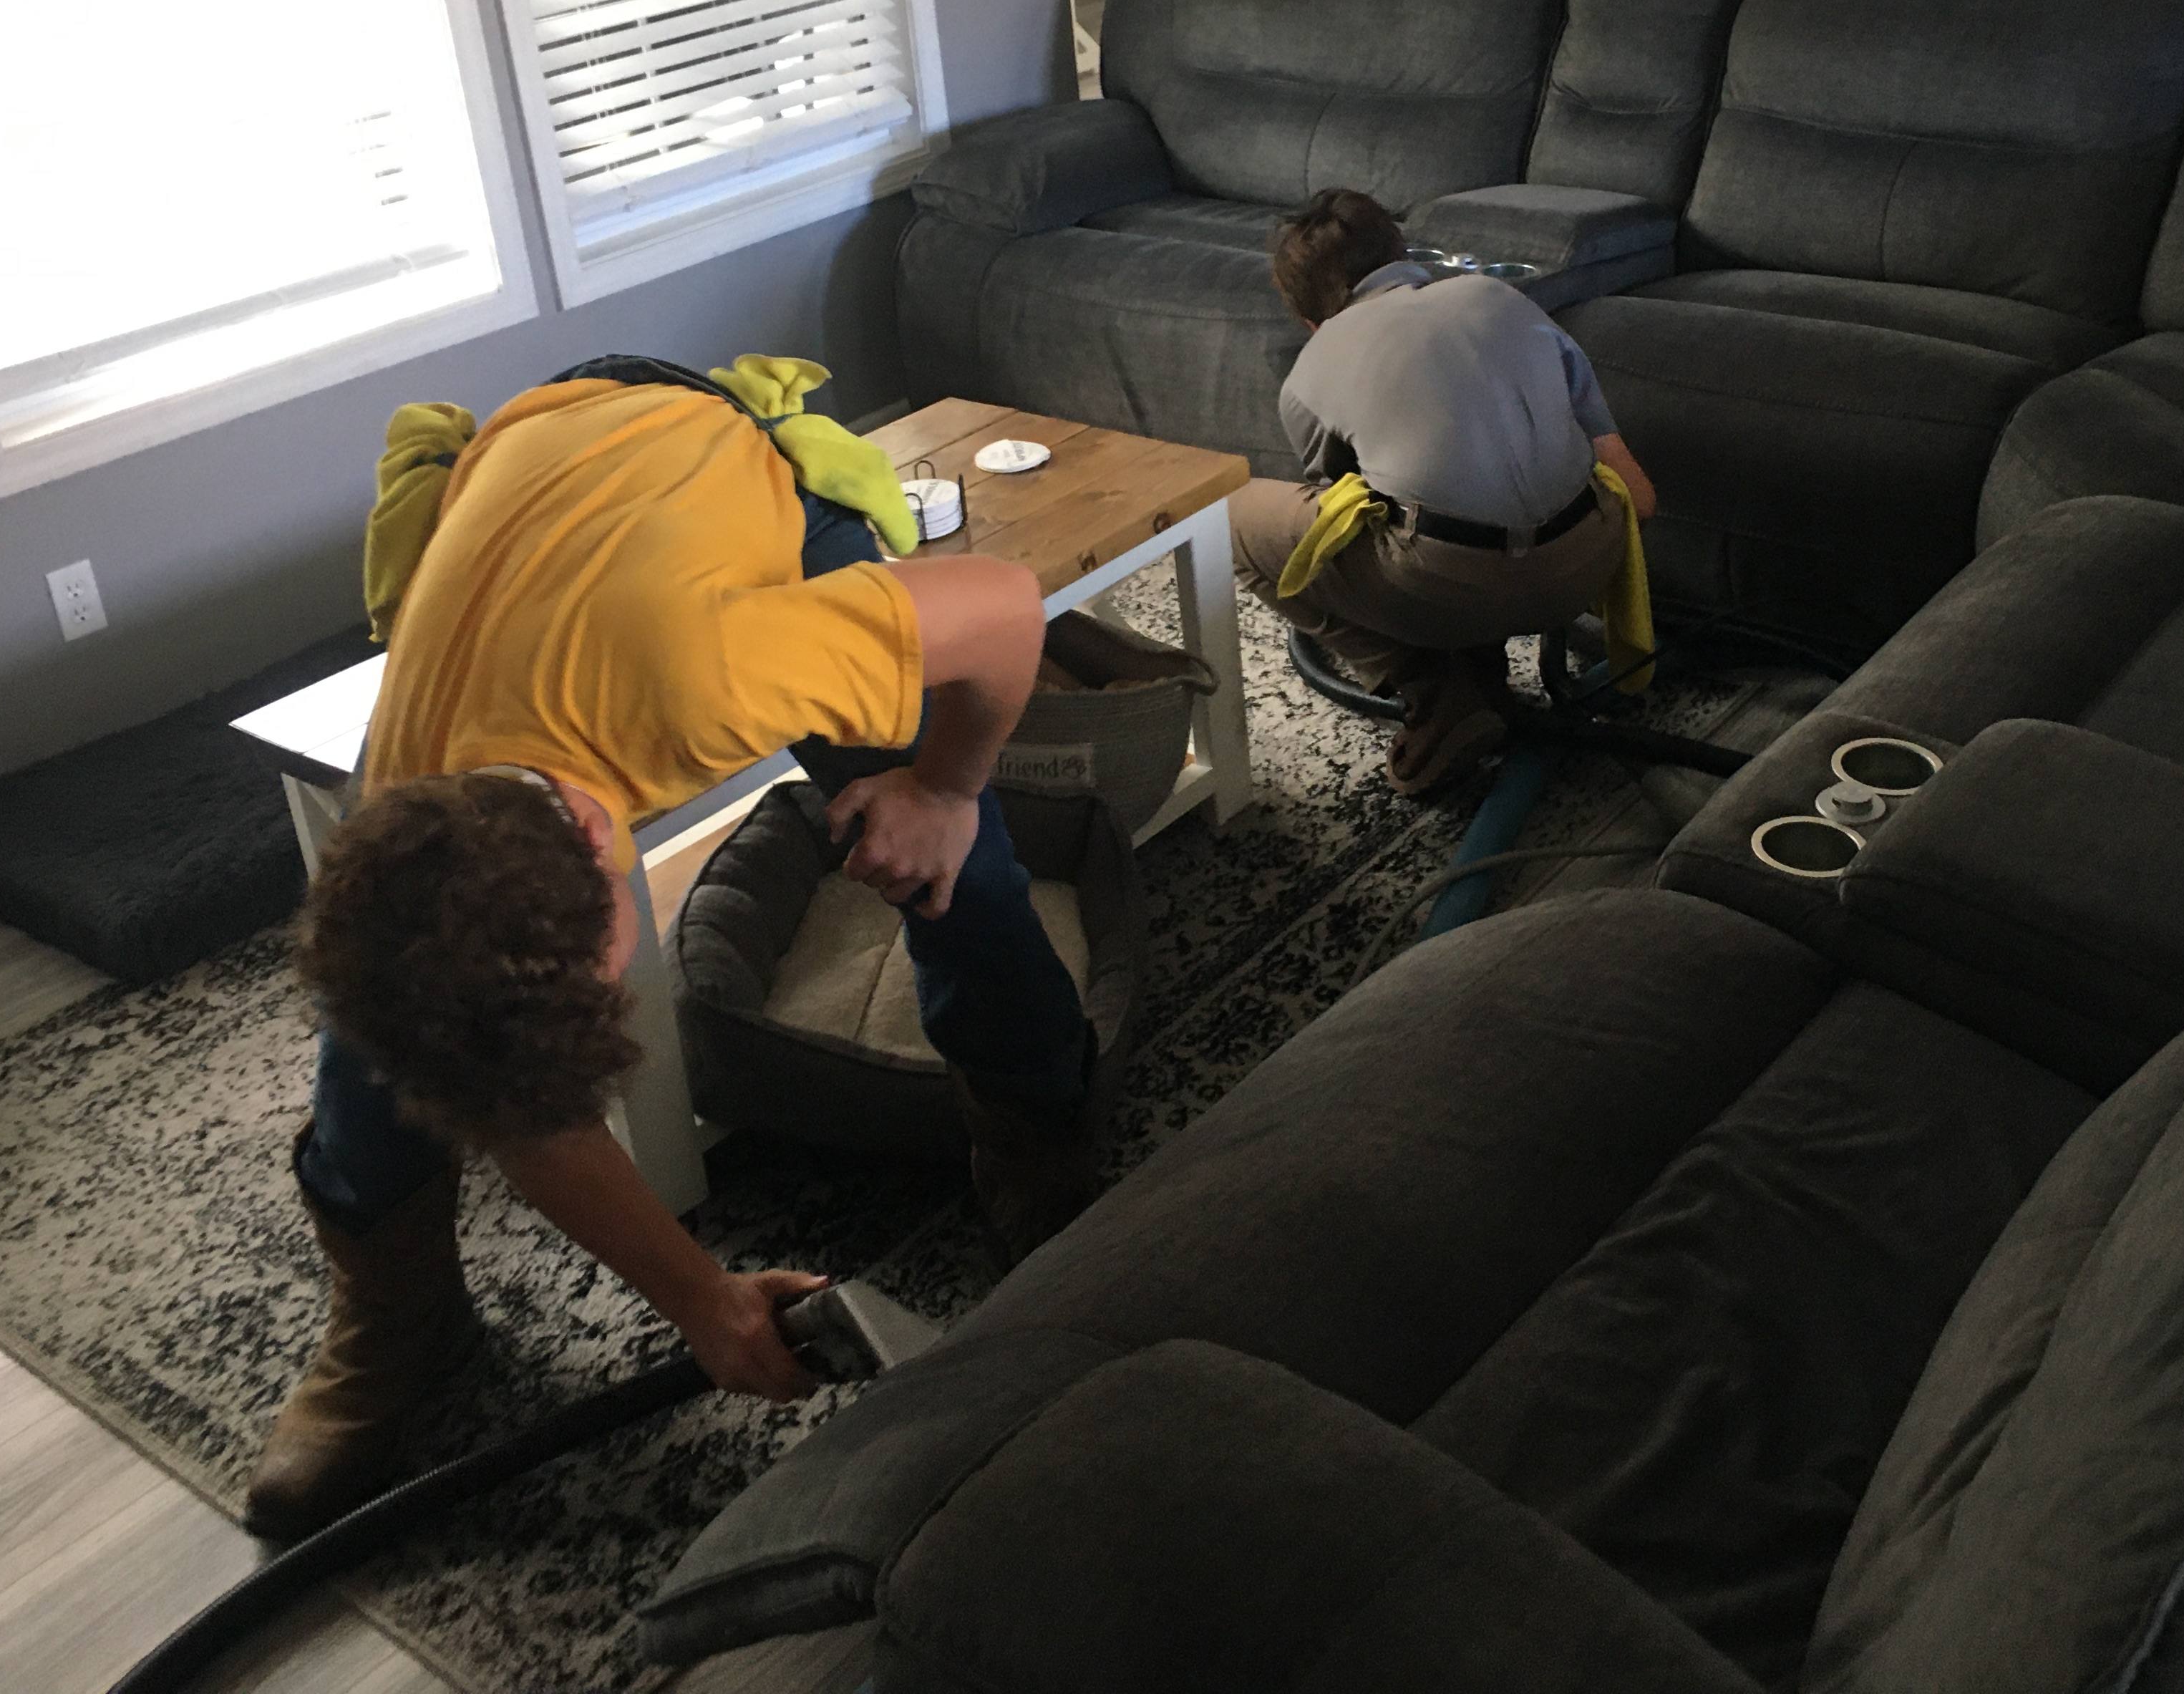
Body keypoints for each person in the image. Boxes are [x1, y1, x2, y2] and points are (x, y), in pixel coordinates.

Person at [244, 358, 1092, 1540]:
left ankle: (1036, 1128)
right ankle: (400, 1322)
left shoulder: (713, 675)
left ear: (611, 843)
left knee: (959, 867)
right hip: (539, 479)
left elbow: (1001, 607)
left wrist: (942, 788)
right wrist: (701, 1298)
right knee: (381, 1035)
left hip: (702, 452)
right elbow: (513, 1087)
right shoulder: (403, 799)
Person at [1229, 190, 1659, 796]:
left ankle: (1437, 693)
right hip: (1590, 566)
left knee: (1223, 520)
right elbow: (1640, 497)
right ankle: (1479, 661)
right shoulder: (1502, 296)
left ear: (1308, 321)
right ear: (1404, 257)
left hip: (1449, 591)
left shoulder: (1312, 369)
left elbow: (1342, 519)